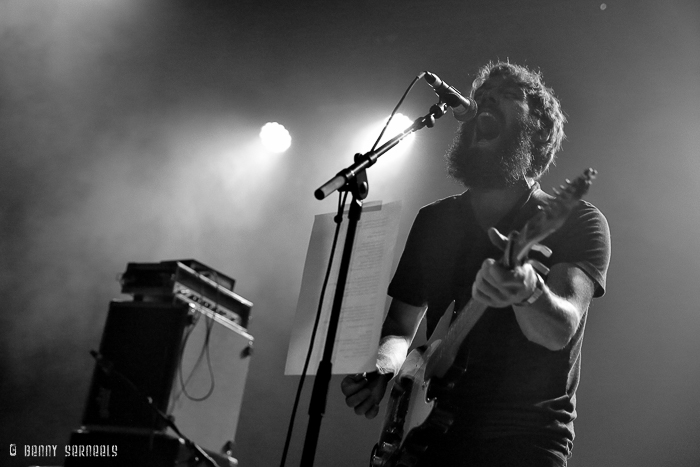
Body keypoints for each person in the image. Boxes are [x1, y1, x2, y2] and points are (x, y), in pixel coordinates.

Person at [341, 61, 611, 467]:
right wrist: (382, 367)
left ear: (537, 128)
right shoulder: (435, 221)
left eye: (507, 93)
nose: (486, 94)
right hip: (425, 435)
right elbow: (400, 327)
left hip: (522, 440)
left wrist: (529, 290)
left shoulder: (577, 221)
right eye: (482, 90)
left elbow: (559, 330)